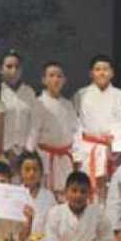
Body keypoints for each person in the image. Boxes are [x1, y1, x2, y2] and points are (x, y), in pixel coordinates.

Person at [72, 54, 121, 201]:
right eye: (97, 69)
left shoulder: (120, 96)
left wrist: (117, 146)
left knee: (109, 191)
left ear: (112, 73)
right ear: (91, 73)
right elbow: (76, 125)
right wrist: (77, 153)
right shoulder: (81, 94)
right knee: (88, 189)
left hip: (110, 149)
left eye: (105, 69)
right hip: (87, 149)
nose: (102, 73)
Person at [25, 61, 79, 196]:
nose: (56, 79)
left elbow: (75, 131)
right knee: (45, 194)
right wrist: (30, 155)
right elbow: (34, 131)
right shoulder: (39, 103)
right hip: (45, 157)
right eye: (51, 75)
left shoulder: (68, 104)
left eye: (59, 76)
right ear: (44, 80)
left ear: (64, 80)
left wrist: (77, 156)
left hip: (65, 158)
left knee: (64, 195)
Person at [0, 50, 37, 168]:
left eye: (17, 67)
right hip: (1, 153)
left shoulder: (29, 92)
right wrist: (6, 150)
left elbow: (34, 124)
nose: (13, 71)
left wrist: (27, 149)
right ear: (1, 69)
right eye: (9, 67)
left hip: (25, 154)